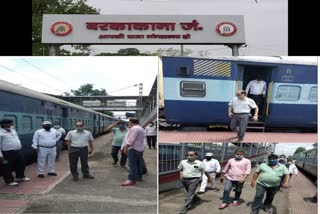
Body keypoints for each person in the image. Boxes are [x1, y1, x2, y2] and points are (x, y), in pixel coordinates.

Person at [0, 119, 30, 186]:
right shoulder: (0, 133)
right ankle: (9, 181)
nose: (12, 125)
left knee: (21, 164)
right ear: (5, 125)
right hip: (7, 153)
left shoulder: (13, 131)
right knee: (7, 167)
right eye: (11, 124)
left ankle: (20, 177)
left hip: (17, 151)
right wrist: (0, 156)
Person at [121, 118, 145, 186]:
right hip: (140, 149)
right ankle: (139, 177)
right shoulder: (141, 128)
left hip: (133, 149)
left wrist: (126, 148)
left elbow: (131, 140)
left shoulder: (133, 129)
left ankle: (131, 179)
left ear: (131, 122)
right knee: (138, 164)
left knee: (132, 165)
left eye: (129, 122)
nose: (128, 123)